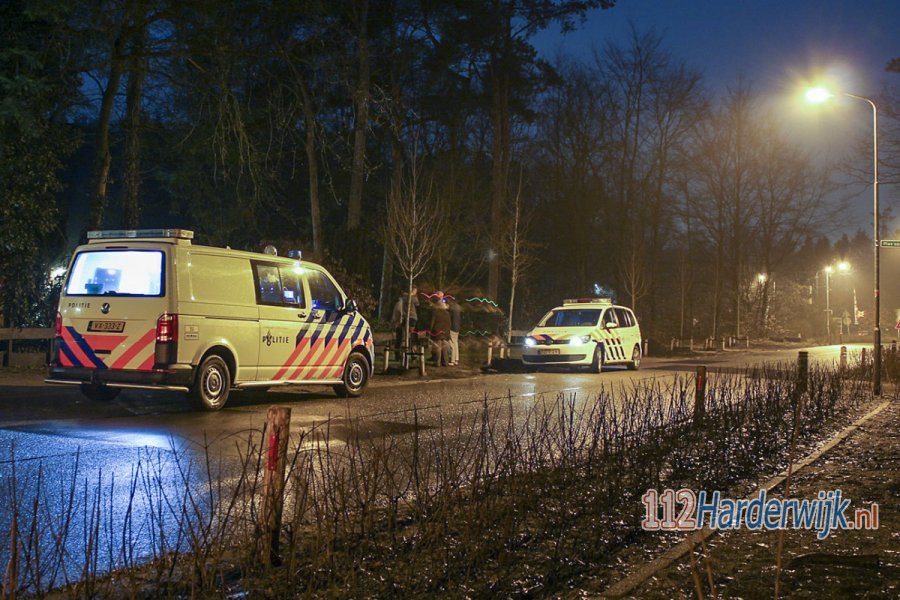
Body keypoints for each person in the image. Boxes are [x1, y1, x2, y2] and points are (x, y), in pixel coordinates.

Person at [429, 292, 451, 366]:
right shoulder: (447, 313)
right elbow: (449, 324)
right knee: (444, 348)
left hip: (437, 332)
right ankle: (445, 362)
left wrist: (430, 331)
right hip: (445, 332)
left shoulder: (435, 312)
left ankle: (437, 362)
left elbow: (432, 323)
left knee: (438, 348)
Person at [448, 296, 461, 366]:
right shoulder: (458, 307)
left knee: (452, 344)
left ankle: (452, 361)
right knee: (456, 343)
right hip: (457, 327)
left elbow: (450, 318)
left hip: (452, 327)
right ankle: (456, 359)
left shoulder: (452, 308)